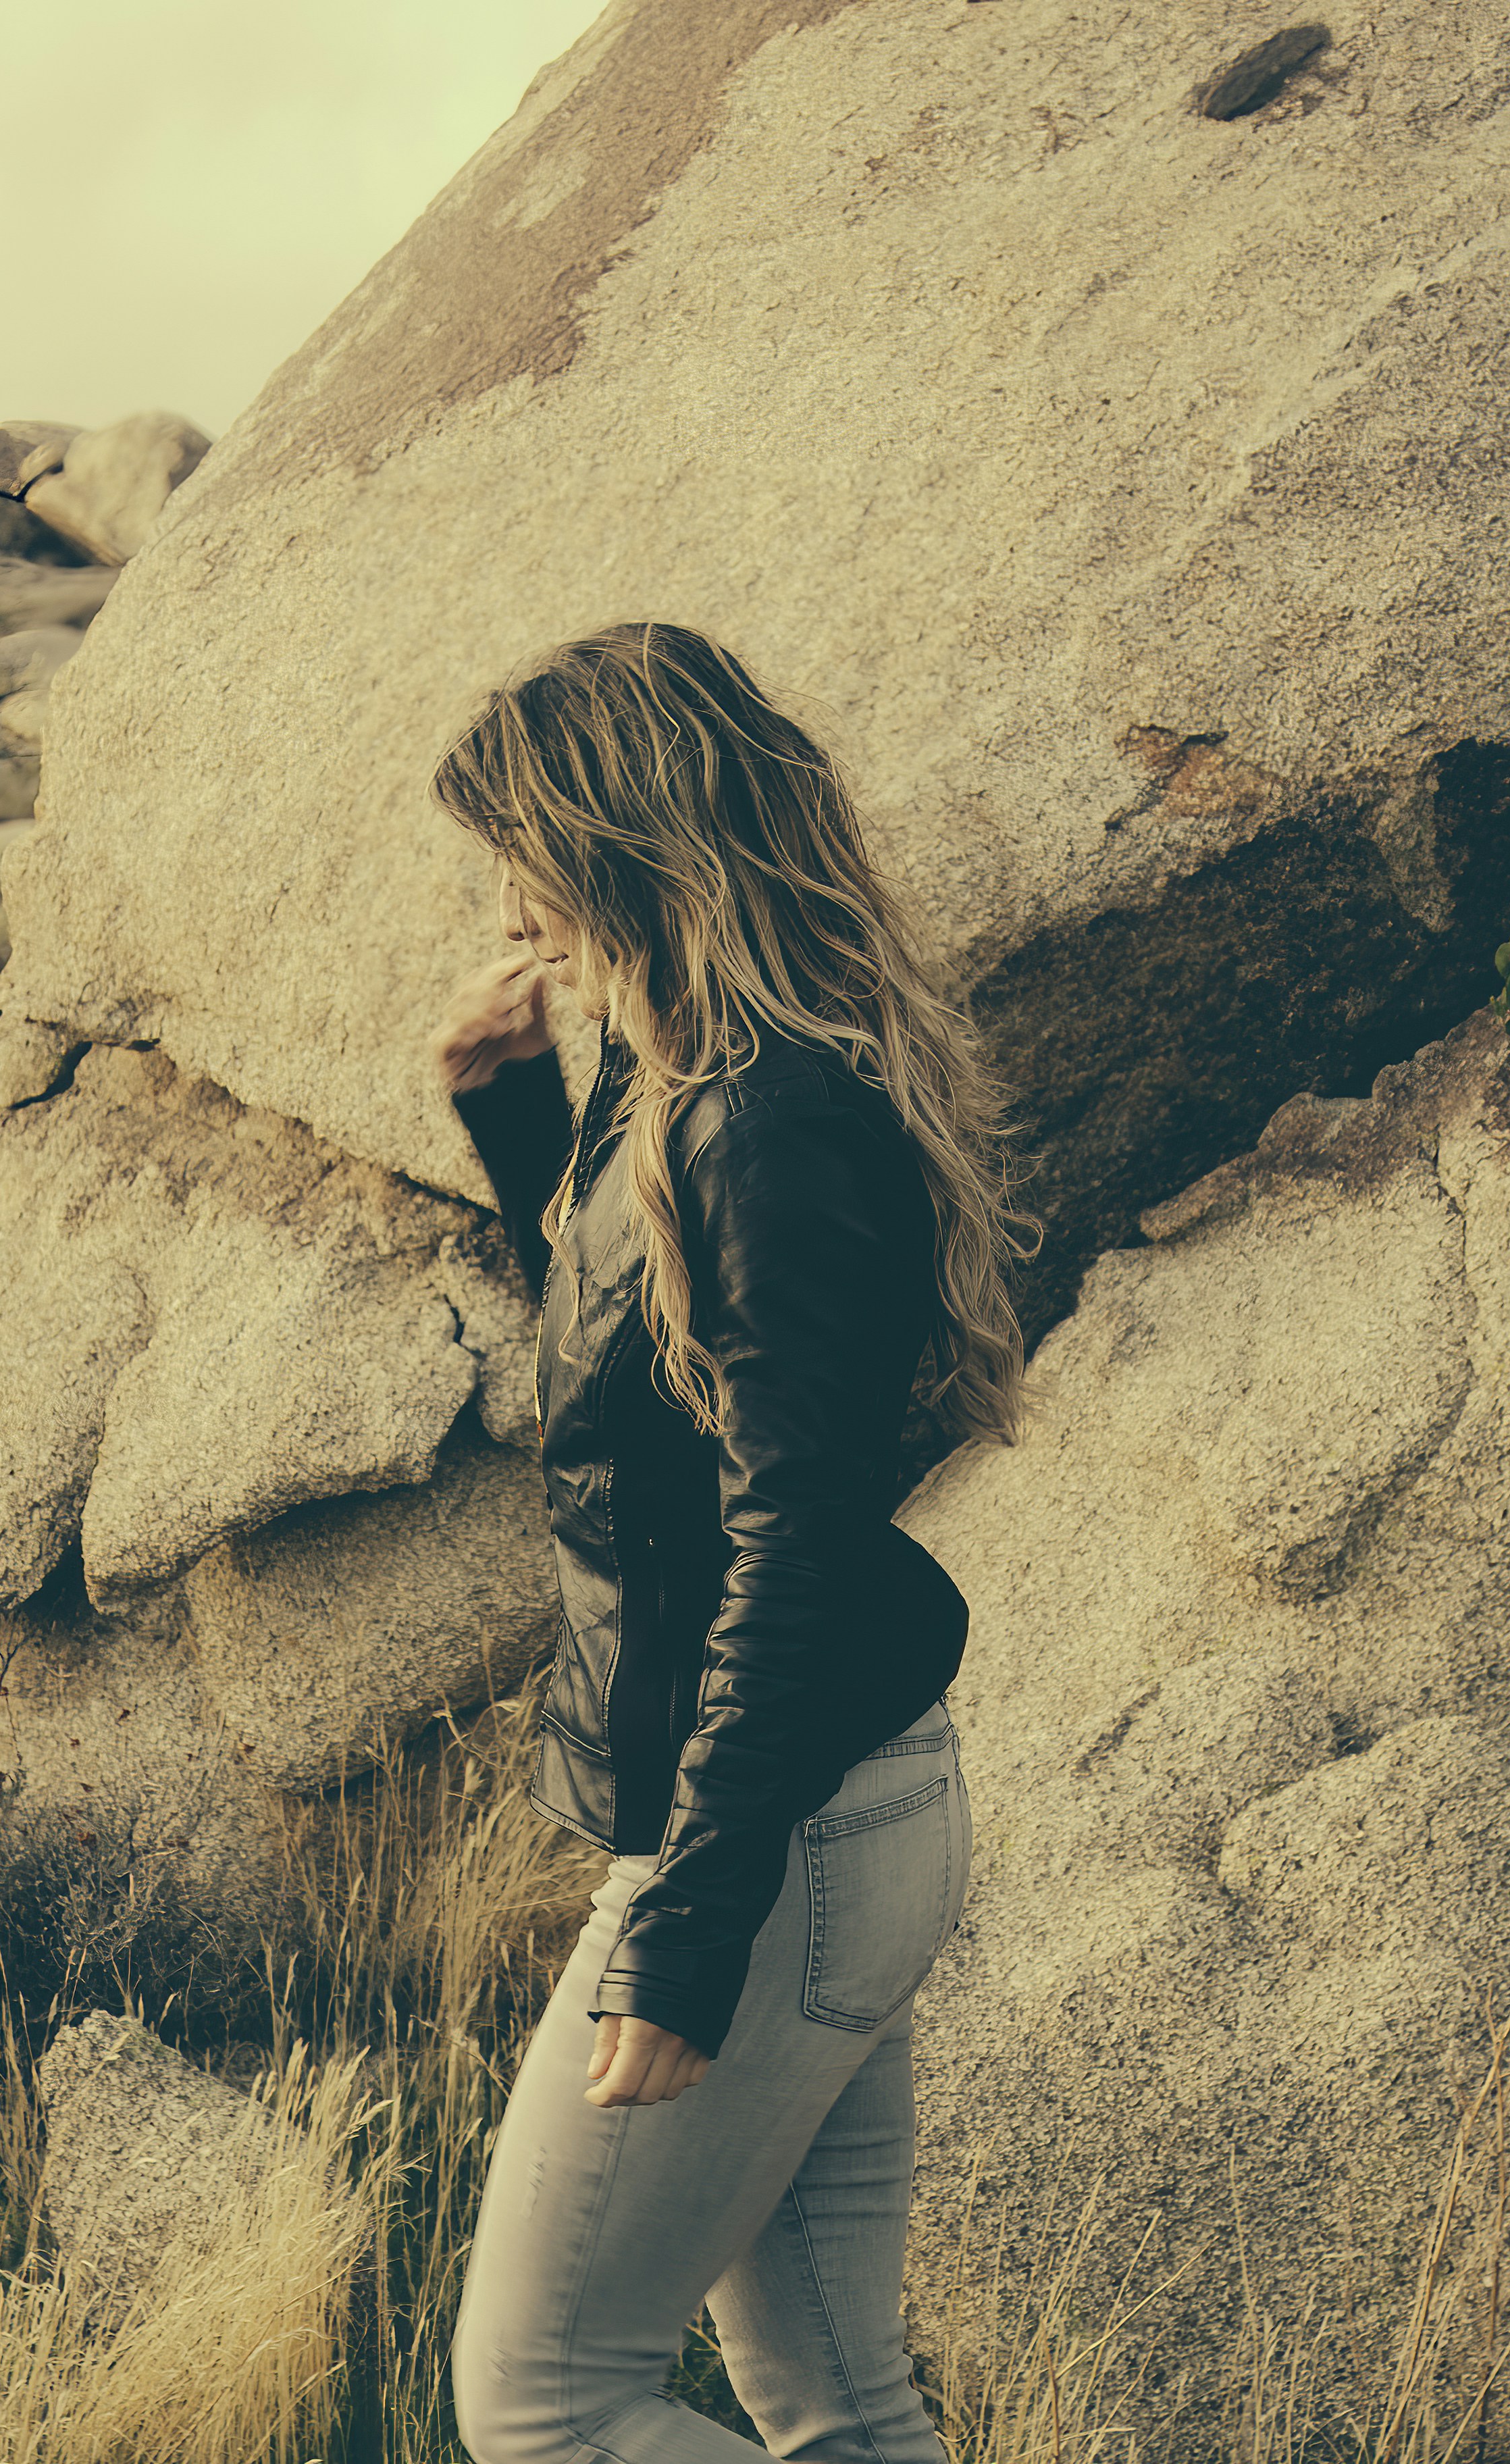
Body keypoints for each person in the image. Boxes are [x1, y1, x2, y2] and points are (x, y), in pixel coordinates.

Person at [427, 622, 1039, 2464]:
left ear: (616, 846)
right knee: (841, 2405)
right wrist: (510, 1110)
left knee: (544, 2407)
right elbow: (651, 1393)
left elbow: (791, 1532)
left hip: (779, 1838)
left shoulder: (760, 1119)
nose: (504, 894)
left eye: (521, 850)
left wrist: (685, 1936)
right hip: (829, 1807)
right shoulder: (693, 1067)